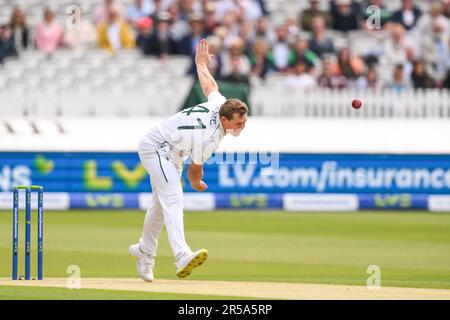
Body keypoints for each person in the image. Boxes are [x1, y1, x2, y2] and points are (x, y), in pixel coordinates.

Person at [129, 39, 249, 282]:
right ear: (225, 121)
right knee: (173, 197)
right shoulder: (209, 137)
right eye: (238, 122)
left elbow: (209, 85)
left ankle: (144, 252)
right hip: (156, 147)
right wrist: (197, 183)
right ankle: (182, 255)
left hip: (173, 151)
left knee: (160, 205)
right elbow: (195, 171)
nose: (241, 127)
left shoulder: (220, 105)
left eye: (244, 122)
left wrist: (201, 63)